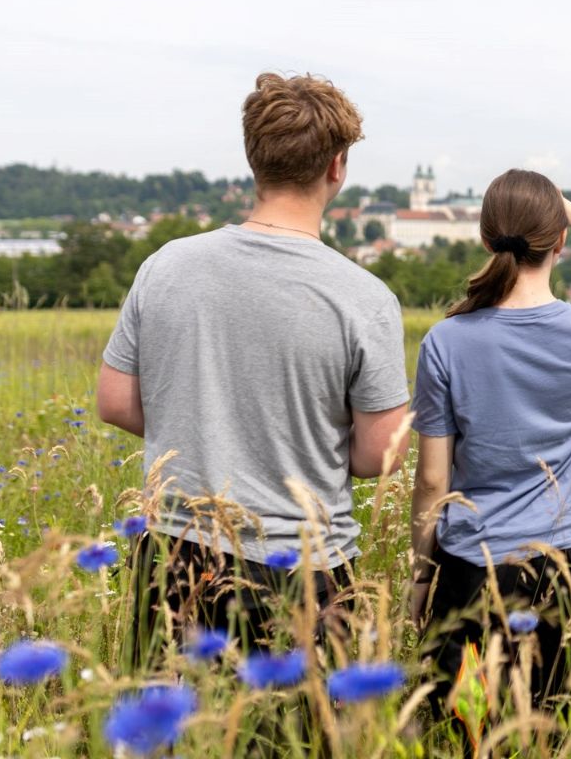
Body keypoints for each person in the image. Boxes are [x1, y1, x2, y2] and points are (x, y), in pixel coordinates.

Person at [97, 72, 411, 668]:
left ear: (252, 159)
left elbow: (114, 402)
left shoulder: (165, 266)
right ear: (337, 166)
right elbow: (378, 457)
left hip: (174, 556)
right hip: (303, 570)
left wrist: (204, 431)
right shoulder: (363, 298)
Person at [409, 170, 571, 741]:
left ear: (485, 239)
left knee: (469, 732)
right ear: (559, 243)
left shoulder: (445, 342)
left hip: (471, 572)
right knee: (562, 730)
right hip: (570, 569)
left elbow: (433, 481)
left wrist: (421, 579)